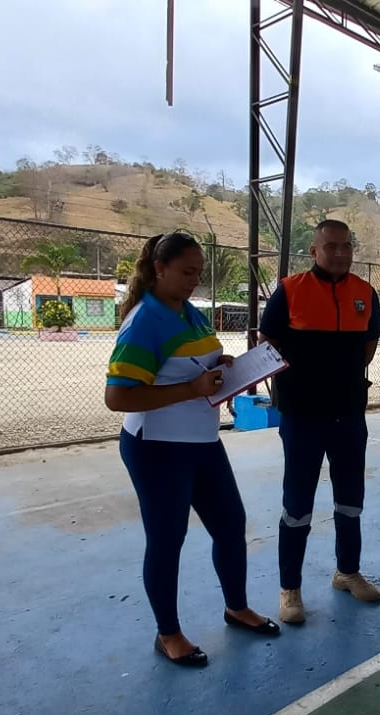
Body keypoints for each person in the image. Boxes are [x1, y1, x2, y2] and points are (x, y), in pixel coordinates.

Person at [104, 231, 279, 668]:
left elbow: (194, 363)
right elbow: (118, 397)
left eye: (198, 273)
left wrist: (222, 367)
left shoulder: (188, 312)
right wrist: (192, 388)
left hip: (202, 442)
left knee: (230, 524)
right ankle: (168, 634)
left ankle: (236, 607)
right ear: (159, 269)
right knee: (167, 539)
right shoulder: (145, 321)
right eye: (186, 272)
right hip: (157, 447)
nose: (193, 280)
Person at [260, 219, 380, 625]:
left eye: (346, 245)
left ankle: (347, 572)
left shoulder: (365, 293)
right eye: (331, 246)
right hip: (302, 416)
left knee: (351, 499)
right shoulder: (289, 290)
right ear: (314, 251)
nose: (340, 253)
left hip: (349, 414)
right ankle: (290, 589)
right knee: (297, 504)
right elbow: (268, 345)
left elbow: (367, 348)